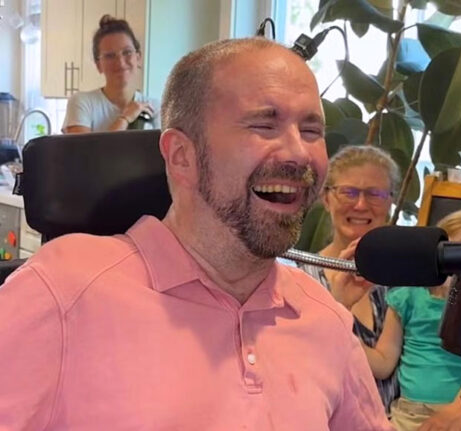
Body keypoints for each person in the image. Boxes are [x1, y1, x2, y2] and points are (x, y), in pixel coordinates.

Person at [0, 38, 393, 430]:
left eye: (311, 130)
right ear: (181, 156)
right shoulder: (63, 292)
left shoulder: (323, 318)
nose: (299, 153)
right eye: (263, 124)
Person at [363, 209, 461, 431]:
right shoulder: (407, 297)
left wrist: (458, 412)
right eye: (447, 256)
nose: (454, 270)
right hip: (409, 414)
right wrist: (347, 338)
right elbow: (384, 361)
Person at [296, 144, 401, 413]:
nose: (361, 204)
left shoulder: (406, 280)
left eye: (375, 194)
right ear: (327, 198)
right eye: (349, 192)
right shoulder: (296, 277)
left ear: (391, 202)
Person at [62, 14, 160, 133]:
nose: (120, 62)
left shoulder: (156, 108)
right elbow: (84, 151)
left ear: (138, 58)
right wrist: (124, 118)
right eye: (110, 56)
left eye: (127, 52)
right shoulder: (82, 103)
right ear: (99, 65)